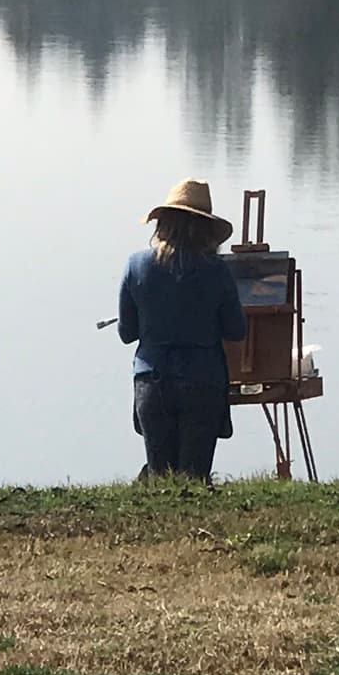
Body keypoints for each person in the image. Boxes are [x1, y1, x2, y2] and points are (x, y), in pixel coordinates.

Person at [119, 178, 247, 480]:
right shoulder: (218, 271)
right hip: (203, 381)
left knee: (161, 479)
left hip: (151, 381)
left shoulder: (136, 265)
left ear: (161, 223)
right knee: (195, 480)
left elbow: (127, 333)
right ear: (206, 231)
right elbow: (235, 330)